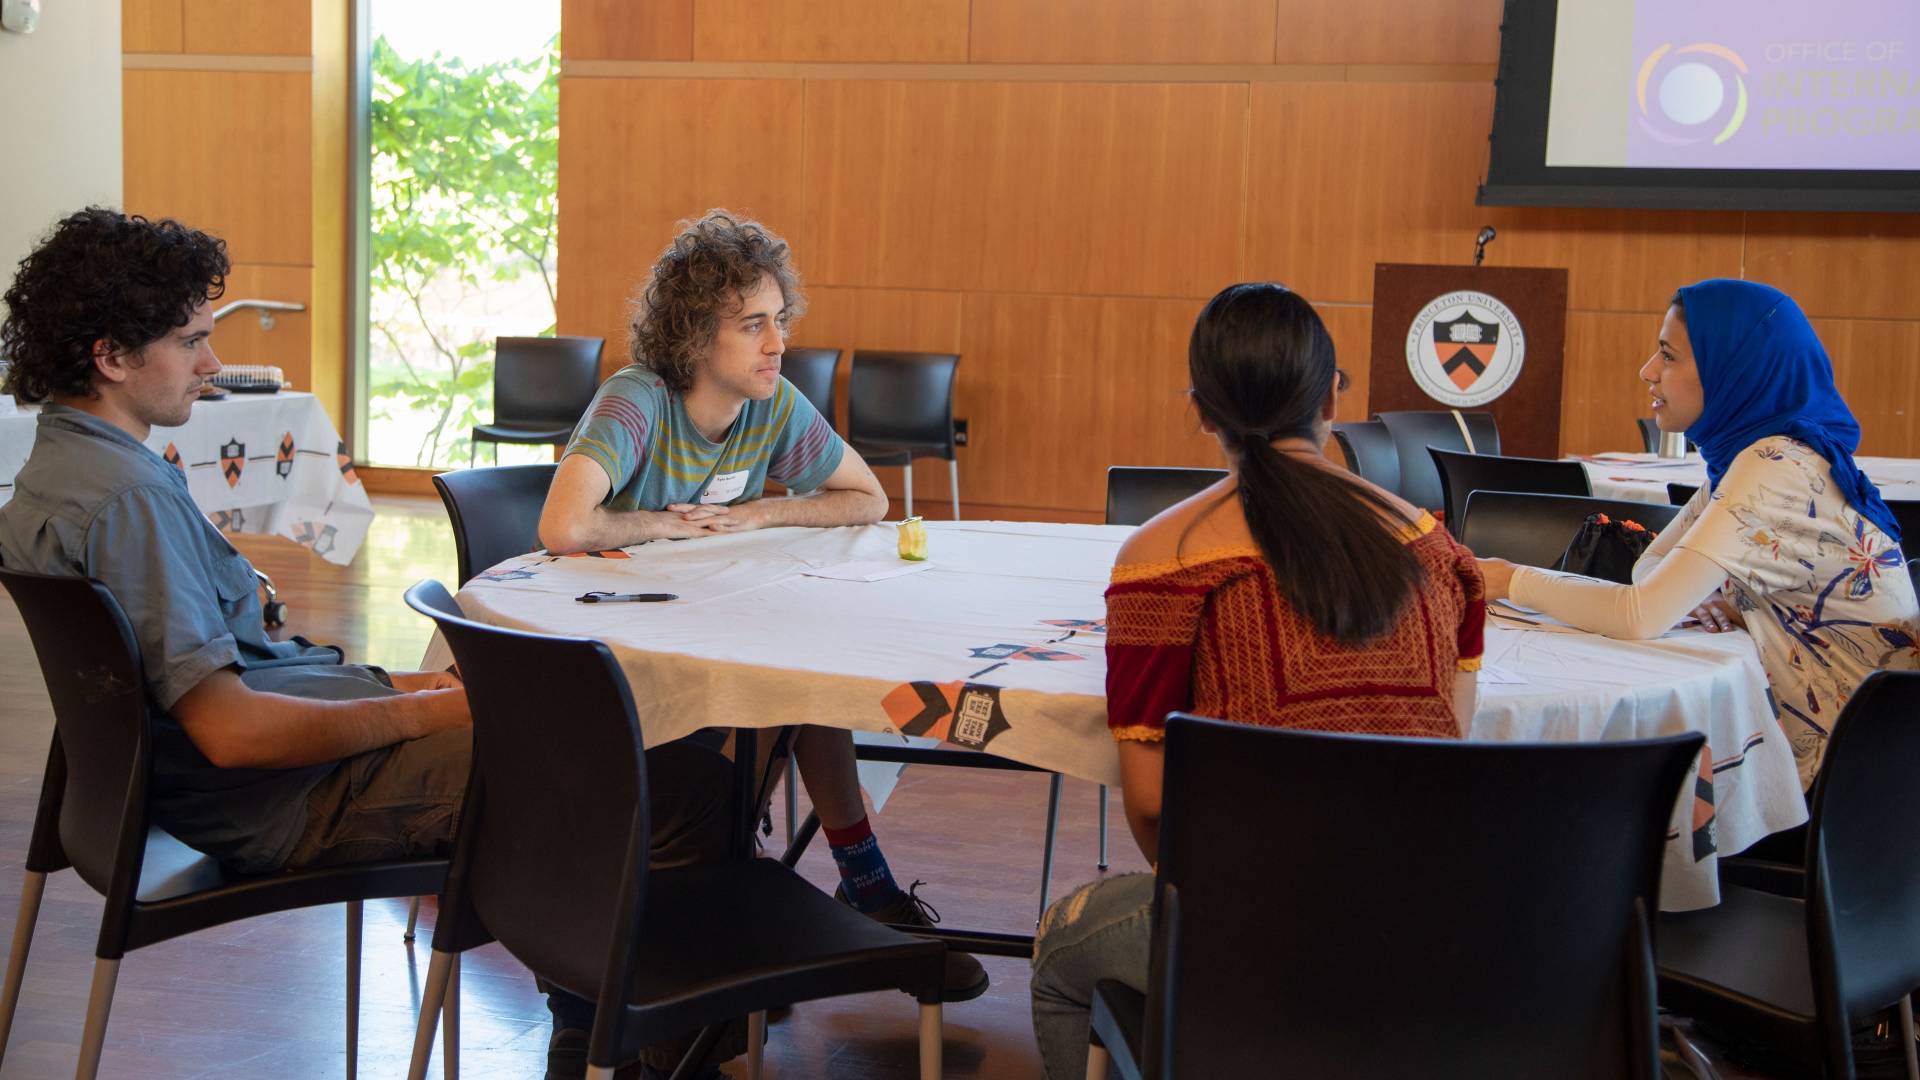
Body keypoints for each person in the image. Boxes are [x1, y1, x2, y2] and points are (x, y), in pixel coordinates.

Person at [0, 208, 735, 1080]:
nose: (209, 363)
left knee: (560, 728)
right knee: (670, 779)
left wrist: (420, 700)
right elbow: (234, 733)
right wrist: (427, 715)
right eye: (191, 341)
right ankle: (642, 1039)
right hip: (280, 800)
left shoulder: (55, 470)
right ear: (112, 357)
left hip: (216, 775)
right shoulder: (128, 501)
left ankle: (595, 1021)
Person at [536, 209, 990, 1015]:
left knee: (805, 677)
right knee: (793, 692)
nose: (777, 343)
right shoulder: (638, 399)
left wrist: (761, 513)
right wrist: (664, 522)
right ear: (694, 336)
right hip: (614, 662)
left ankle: (827, 899)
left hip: (704, 632)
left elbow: (866, 496)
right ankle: (770, 913)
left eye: (780, 320)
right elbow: (564, 526)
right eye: (753, 325)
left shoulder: (769, 405)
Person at [1027, 283, 1485, 1079]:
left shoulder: (1163, 559)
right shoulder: (1440, 552)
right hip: (1433, 930)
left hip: (1255, 934)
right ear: (1333, 394)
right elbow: (1448, 749)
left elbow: (1150, 805)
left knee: (1056, 957)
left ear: (1202, 411)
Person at [1477, 279, 1920, 790]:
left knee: (1592, 793)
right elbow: (1648, 571)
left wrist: (1511, 580)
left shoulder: (1774, 465)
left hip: (1857, 783)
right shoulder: (1751, 456)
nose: (1648, 371)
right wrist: (1711, 591)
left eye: (1668, 356)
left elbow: (1641, 615)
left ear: (1733, 371)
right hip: (1861, 758)